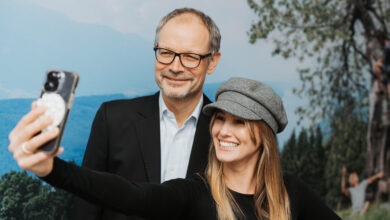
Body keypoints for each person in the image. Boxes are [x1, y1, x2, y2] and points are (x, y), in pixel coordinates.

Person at [9, 77, 341, 220]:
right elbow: (133, 195)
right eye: (220, 118)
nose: (223, 131)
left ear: (264, 137)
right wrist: (52, 169)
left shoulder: (290, 194)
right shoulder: (195, 194)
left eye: (240, 123)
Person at [71, 8, 221, 219]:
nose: (175, 67)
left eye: (190, 56)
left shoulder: (228, 133)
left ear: (212, 61)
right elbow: (86, 205)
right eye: (166, 53)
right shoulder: (112, 119)